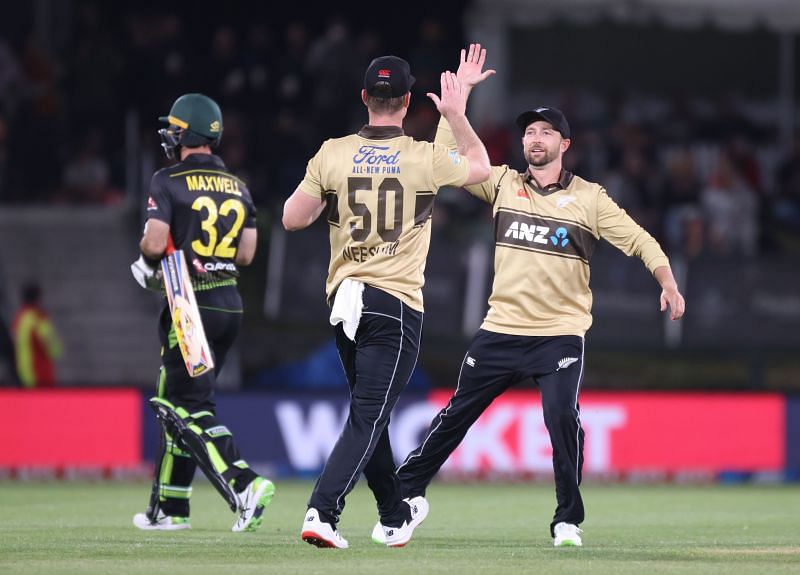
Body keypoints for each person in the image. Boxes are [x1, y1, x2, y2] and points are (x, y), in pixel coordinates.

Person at [389, 45, 686, 548]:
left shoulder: (590, 198)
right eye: (528, 131)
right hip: (501, 330)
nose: (535, 138)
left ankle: (567, 518)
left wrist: (668, 281)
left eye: (546, 131)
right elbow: (447, 163)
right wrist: (453, 113)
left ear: (565, 143)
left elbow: (639, 239)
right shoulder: (503, 183)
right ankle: (405, 493)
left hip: (558, 335)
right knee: (457, 413)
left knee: (559, 418)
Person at [282, 55, 491, 548]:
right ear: (407, 102)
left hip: (344, 301)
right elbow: (480, 167)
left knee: (368, 414)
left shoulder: (332, 152)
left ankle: (393, 514)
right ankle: (322, 511)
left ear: (363, 99)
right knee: (368, 416)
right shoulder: (421, 157)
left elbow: (292, 219)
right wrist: (458, 112)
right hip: (394, 303)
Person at [130, 93, 274, 533]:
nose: (169, 136)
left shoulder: (167, 179)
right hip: (228, 303)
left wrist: (148, 261)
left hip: (188, 306)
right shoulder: (238, 185)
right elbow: (246, 254)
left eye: (174, 128)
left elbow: (154, 243)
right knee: (179, 405)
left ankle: (243, 483)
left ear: (186, 134)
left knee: (185, 407)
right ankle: (169, 510)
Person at [12, 283, 62, 388]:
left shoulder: (19, 318)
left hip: (24, 372)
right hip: (40, 373)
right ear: (38, 298)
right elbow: (53, 347)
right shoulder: (38, 319)